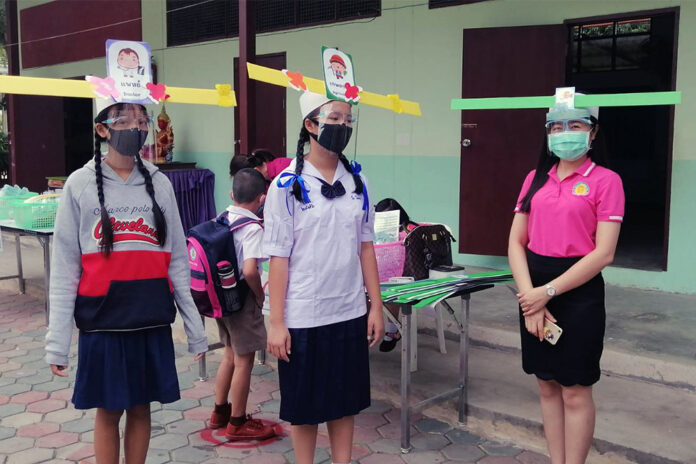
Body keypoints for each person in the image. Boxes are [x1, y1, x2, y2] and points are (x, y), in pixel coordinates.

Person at [45, 99, 208, 464]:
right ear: (102, 129)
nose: (136, 127)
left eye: (141, 119)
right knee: (108, 410)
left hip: (149, 318)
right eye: (124, 119)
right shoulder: (79, 185)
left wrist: (196, 329)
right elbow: (65, 268)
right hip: (103, 323)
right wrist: (57, 342)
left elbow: (178, 259)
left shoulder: (160, 184)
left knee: (140, 408)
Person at [263, 91, 384, 464]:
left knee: (344, 403)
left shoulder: (357, 182)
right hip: (303, 315)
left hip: (347, 310)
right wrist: (277, 321)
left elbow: (366, 247)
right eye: (334, 119)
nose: (343, 127)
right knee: (305, 408)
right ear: (310, 125)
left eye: (348, 120)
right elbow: (278, 258)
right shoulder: (286, 186)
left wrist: (375, 306)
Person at [508, 102, 624, 464]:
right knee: (546, 384)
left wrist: (547, 293)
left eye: (574, 125)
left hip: (578, 292)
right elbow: (515, 242)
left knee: (575, 390)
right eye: (556, 127)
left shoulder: (607, 181)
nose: (564, 134)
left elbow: (603, 253)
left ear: (592, 132)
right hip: (534, 286)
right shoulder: (534, 179)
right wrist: (530, 297)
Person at [208, 168, 275, 441]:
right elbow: (250, 271)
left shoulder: (221, 218)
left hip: (221, 301)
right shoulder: (251, 229)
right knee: (244, 361)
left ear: (231, 194)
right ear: (262, 199)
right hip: (242, 301)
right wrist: (259, 295)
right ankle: (237, 421)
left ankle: (219, 412)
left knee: (229, 355)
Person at [374, 198, 418, 352]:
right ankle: (365, 329)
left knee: (392, 286)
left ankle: (392, 330)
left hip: (404, 276)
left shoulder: (411, 229)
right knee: (363, 290)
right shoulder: (371, 231)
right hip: (379, 271)